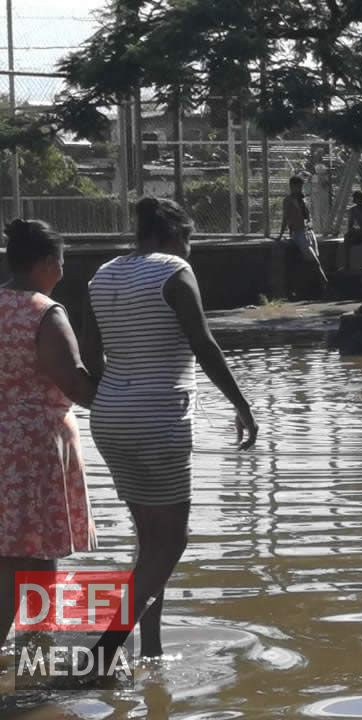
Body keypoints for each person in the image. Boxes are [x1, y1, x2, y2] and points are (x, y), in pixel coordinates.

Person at [82, 197, 257, 665]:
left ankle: (151, 651)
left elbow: (91, 353)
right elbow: (203, 342)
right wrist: (241, 405)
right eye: (189, 239)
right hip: (158, 419)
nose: (190, 249)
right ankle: (105, 653)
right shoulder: (174, 270)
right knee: (172, 542)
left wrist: (120, 392)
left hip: (109, 416)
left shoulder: (103, 274)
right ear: (174, 235)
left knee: (149, 545)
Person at [0, 219, 98, 645]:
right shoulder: (43, 311)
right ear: (43, 263)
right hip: (34, 447)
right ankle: (32, 651)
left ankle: (33, 650)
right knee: (34, 550)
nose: (61, 272)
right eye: (59, 263)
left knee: (18, 550)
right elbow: (74, 381)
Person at [280, 174, 329, 296]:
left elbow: (307, 217)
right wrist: (281, 234)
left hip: (308, 232)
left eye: (301, 187)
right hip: (298, 233)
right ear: (292, 187)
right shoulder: (288, 200)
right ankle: (325, 284)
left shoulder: (303, 200)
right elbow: (285, 218)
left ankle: (314, 288)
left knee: (313, 260)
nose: (300, 189)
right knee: (314, 260)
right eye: (298, 187)